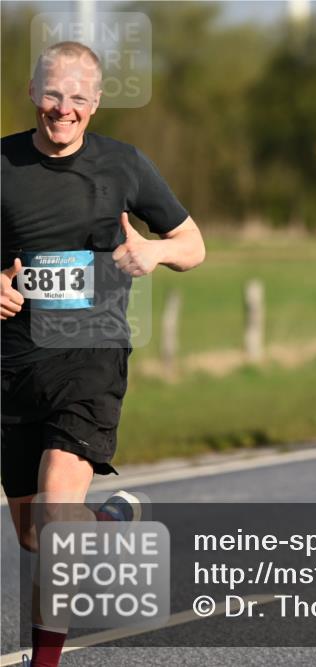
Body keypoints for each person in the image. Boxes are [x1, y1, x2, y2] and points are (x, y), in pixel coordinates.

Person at [1, 42, 205, 666]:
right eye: (54, 95)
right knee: (37, 535)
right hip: (12, 364)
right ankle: (112, 523)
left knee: (58, 518)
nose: (63, 109)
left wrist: (154, 252)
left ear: (95, 104)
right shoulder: (2, 164)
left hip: (91, 354)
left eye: (78, 98)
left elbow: (192, 244)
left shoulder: (124, 165)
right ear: (34, 93)